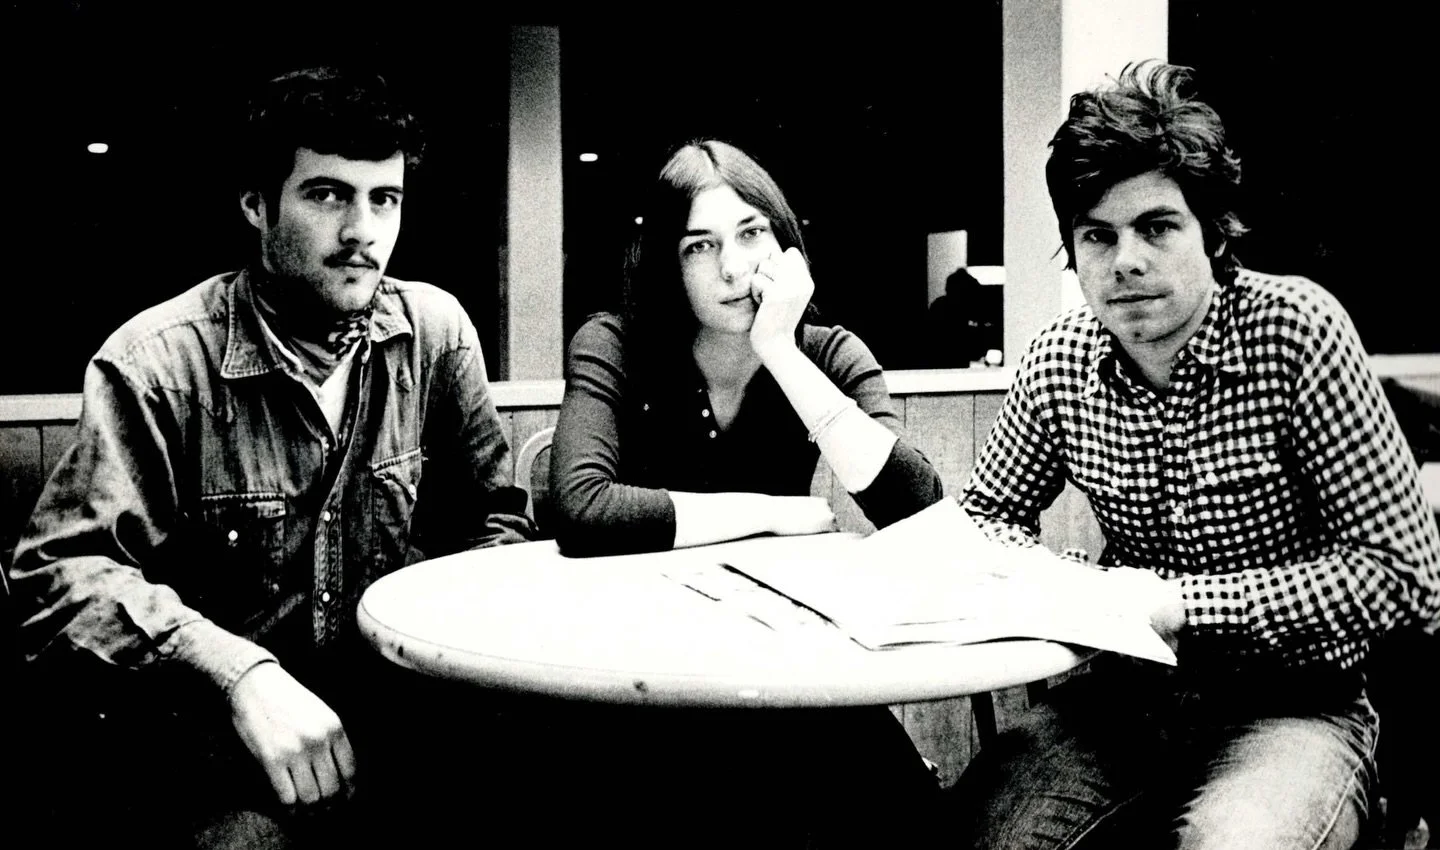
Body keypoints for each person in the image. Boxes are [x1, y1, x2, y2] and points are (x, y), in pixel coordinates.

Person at [8, 66, 536, 848]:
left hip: (403, 731)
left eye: (383, 198)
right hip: (219, 758)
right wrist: (239, 676)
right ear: (256, 205)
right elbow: (61, 574)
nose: (362, 230)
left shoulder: (436, 335)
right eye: (327, 195)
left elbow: (496, 525)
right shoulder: (158, 362)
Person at [946, 60, 1440, 849]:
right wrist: (1065, 577)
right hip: (1122, 700)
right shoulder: (1058, 359)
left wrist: (1182, 605)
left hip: (1300, 705)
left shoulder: (1296, 331)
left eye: (1156, 227)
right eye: (1096, 236)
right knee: (985, 835)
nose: (1126, 261)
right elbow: (984, 519)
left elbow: (1403, 575)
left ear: (1211, 233)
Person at [549, 139, 946, 846]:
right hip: (637, 674)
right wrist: (772, 514)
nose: (733, 268)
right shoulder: (613, 342)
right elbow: (583, 510)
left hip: (777, 668)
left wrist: (782, 352)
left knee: (911, 813)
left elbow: (916, 510)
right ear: (668, 262)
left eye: (751, 234)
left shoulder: (827, 353)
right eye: (699, 246)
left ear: (786, 245)